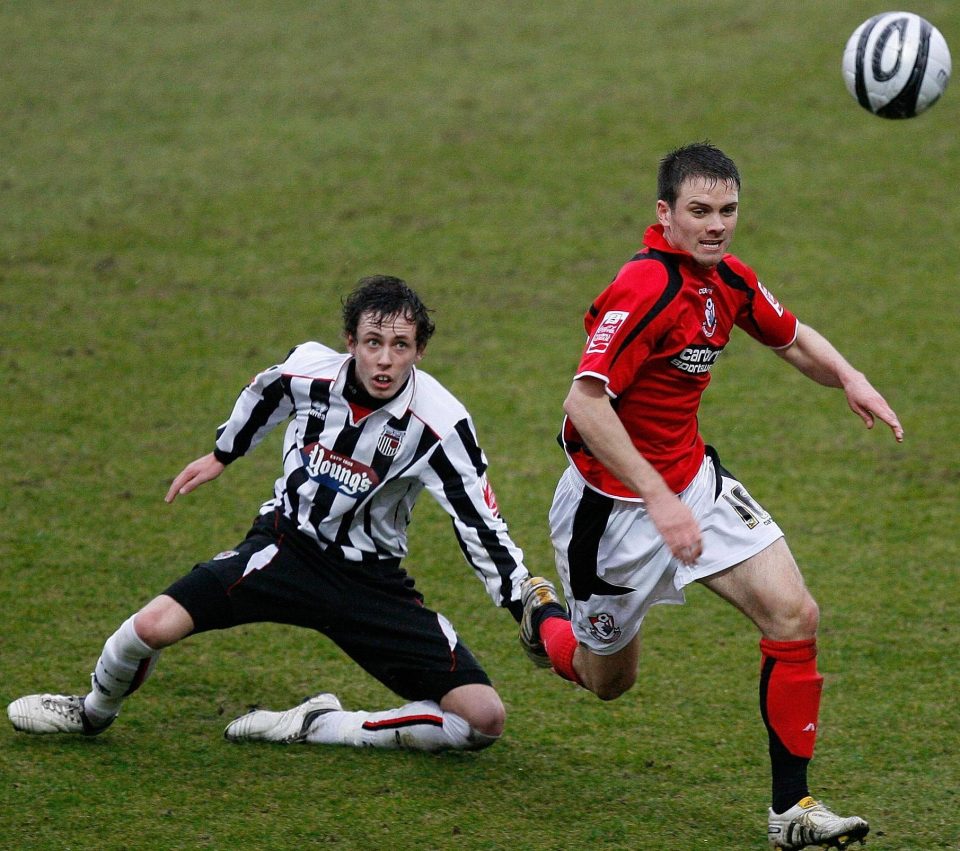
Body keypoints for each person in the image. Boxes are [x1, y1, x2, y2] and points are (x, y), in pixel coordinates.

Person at [518, 143, 901, 850]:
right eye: (699, 211)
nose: (716, 224)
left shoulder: (726, 279)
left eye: (727, 210)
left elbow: (789, 339)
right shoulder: (645, 287)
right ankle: (541, 616)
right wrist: (657, 499)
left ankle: (792, 811)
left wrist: (849, 375)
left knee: (794, 611)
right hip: (610, 515)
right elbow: (584, 401)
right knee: (608, 681)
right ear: (664, 214)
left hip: (697, 484)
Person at [9, 274, 533, 754]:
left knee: (482, 721)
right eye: (373, 343)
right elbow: (266, 390)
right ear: (350, 343)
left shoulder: (441, 424)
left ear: (419, 351)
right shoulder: (309, 370)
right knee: (149, 626)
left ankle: (321, 724)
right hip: (283, 549)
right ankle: (91, 712)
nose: (384, 360)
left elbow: (480, 525)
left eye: (400, 346)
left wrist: (527, 605)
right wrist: (223, 453)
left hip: (369, 582)